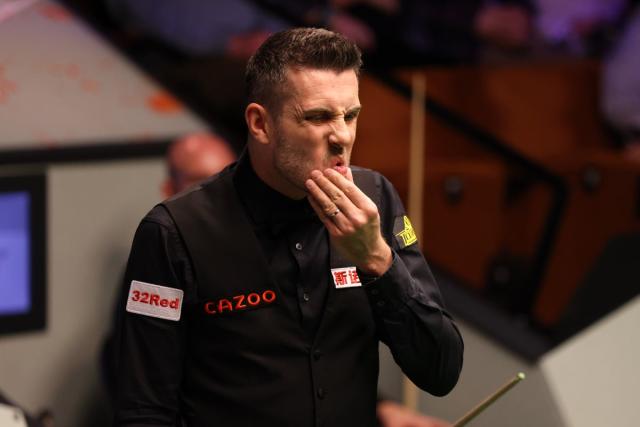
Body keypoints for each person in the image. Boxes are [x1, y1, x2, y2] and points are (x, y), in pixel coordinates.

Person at [113, 28, 463, 426]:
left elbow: (441, 371)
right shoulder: (174, 232)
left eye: (351, 115)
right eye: (318, 117)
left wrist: (379, 261)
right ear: (260, 123)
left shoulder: (376, 199)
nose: (342, 136)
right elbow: (143, 411)